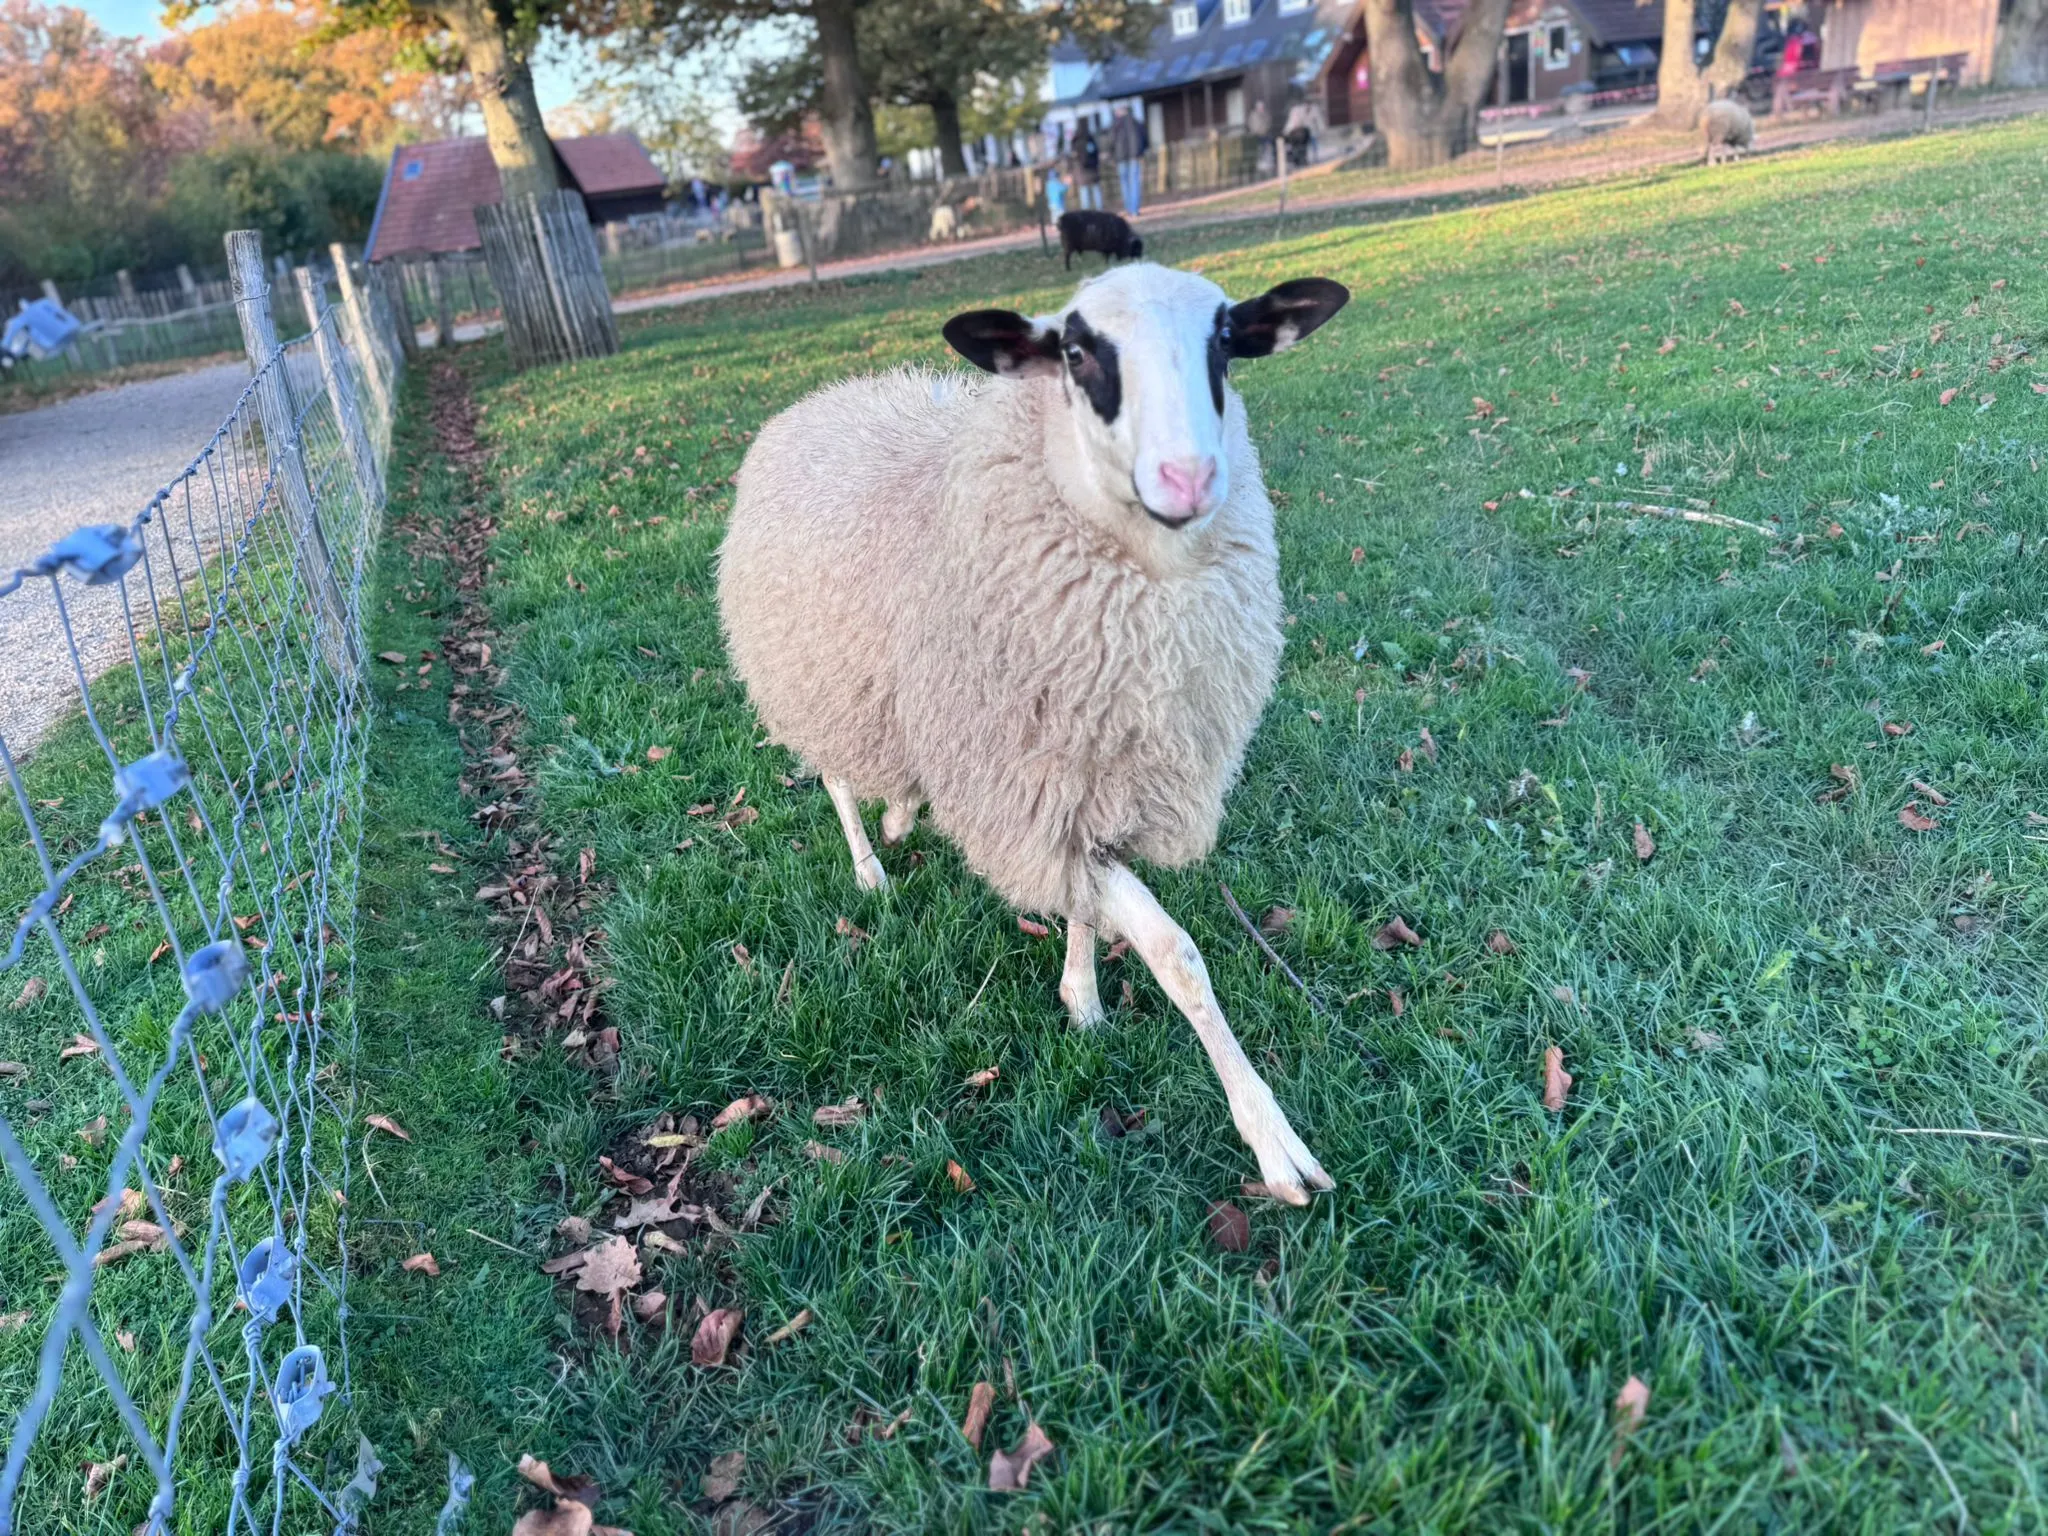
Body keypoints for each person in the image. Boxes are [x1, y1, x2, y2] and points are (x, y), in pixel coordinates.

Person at [1110, 102, 1146, 218]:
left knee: (1124, 183)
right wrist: (1141, 152)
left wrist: (1113, 155)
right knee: (1134, 182)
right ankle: (1135, 210)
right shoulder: (1135, 122)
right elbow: (1144, 137)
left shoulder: (1116, 124)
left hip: (1121, 158)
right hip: (1134, 156)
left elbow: (1111, 141)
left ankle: (1129, 209)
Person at [1074, 122, 1102, 210]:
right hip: (1093, 170)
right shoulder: (1091, 139)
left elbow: (1074, 157)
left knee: (1084, 192)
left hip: (1082, 172)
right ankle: (1099, 210)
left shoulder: (1076, 141)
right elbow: (1096, 154)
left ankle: (1086, 212)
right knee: (1096, 190)